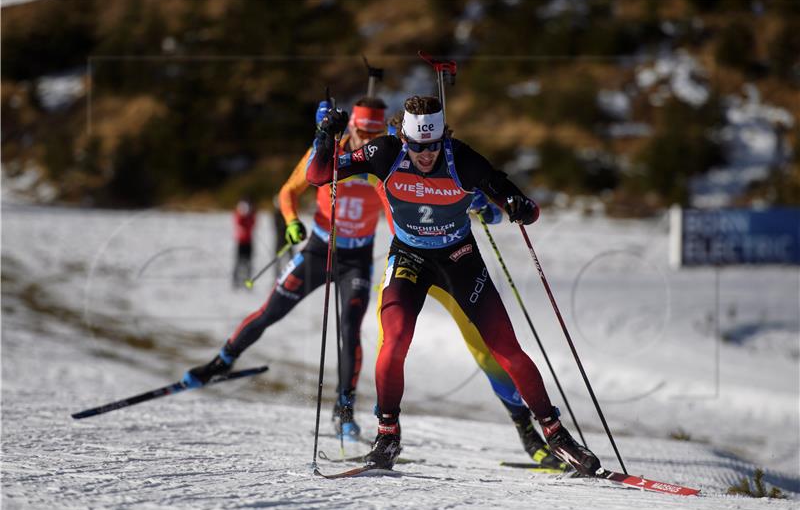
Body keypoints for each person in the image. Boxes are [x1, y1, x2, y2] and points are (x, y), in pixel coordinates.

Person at [306, 95, 601, 475]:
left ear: (443, 136)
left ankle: (556, 436)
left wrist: (519, 206)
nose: (425, 155)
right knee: (393, 344)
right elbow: (318, 175)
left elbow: (518, 200)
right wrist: (324, 137)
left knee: (505, 350)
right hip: (409, 258)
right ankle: (387, 435)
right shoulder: (385, 151)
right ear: (403, 137)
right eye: (417, 146)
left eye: (432, 146)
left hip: (459, 259)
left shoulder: (461, 158)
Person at [184, 96, 390, 440]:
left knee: (350, 329)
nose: (368, 140)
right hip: (318, 249)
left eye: (376, 132)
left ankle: (344, 410)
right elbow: (288, 192)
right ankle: (222, 362)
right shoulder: (327, 150)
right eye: (363, 131)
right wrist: (292, 221)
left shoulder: (385, 159)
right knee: (271, 311)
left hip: (356, 258)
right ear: (351, 124)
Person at [232, 198, 256, 288]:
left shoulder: (250, 216)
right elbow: (237, 221)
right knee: (239, 262)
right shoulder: (239, 216)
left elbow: (253, 222)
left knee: (248, 262)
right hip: (241, 242)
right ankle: (236, 280)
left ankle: (247, 279)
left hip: (249, 242)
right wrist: (242, 214)